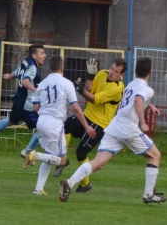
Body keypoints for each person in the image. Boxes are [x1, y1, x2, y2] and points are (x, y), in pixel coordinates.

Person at [59, 57, 167, 204]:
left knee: (98, 162)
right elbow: (137, 100)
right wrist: (143, 122)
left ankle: (69, 182)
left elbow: (136, 99)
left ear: (135, 71)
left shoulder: (130, 85)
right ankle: (148, 194)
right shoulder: (147, 89)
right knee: (155, 156)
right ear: (151, 72)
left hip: (114, 127)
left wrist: (150, 105)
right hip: (128, 128)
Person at [22, 56, 96, 195]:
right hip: (55, 123)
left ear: (50, 67)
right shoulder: (66, 83)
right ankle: (34, 155)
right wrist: (86, 126)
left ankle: (38, 189)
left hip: (41, 121)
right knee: (61, 160)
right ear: (62, 68)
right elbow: (75, 107)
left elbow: (36, 107)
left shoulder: (42, 84)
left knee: (49, 156)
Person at [54, 57, 127, 193]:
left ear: (121, 75)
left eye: (116, 72)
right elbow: (90, 89)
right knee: (63, 127)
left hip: (99, 124)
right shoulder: (103, 73)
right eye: (112, 68)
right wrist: (90, 76)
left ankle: (85, 184)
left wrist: (79, 89)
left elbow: (94, 99)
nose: (112, 72)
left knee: (81, 153)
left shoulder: (117, 89)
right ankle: (63, 158)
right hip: (86, 116)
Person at [0, 43, 46, 159]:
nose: (44, 55)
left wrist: (8, 76)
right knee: (43, 129)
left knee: (10, 120)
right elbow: (26, 81)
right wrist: (36, 90)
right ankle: (27, 152)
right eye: (42, 53)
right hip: (27, 105)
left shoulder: (25, 61)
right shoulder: (32, 67)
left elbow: (16, 73)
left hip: (18, 101)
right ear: (34, 55)